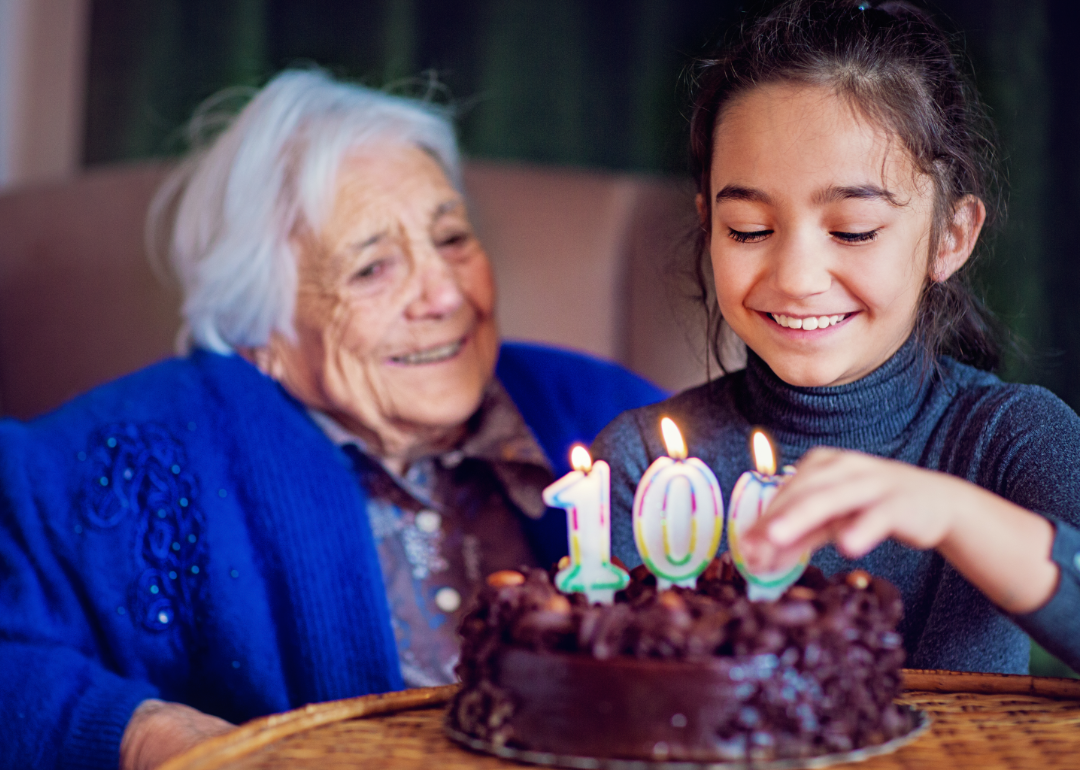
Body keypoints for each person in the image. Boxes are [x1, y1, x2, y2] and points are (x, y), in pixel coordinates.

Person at [0, 70, 665, 770]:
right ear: (260, 331)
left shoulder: (603, 408)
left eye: (451, 238)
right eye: (372, 268)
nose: (442, 293)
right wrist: (147, 734)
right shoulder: (147, 448)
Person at [593, 0, 1080, 676]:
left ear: (951, 236)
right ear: (709, 224)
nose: (795, 278)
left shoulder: (1011, 438)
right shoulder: (645, 465)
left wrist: (951, 516)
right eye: (749, 230)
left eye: (852, 230)